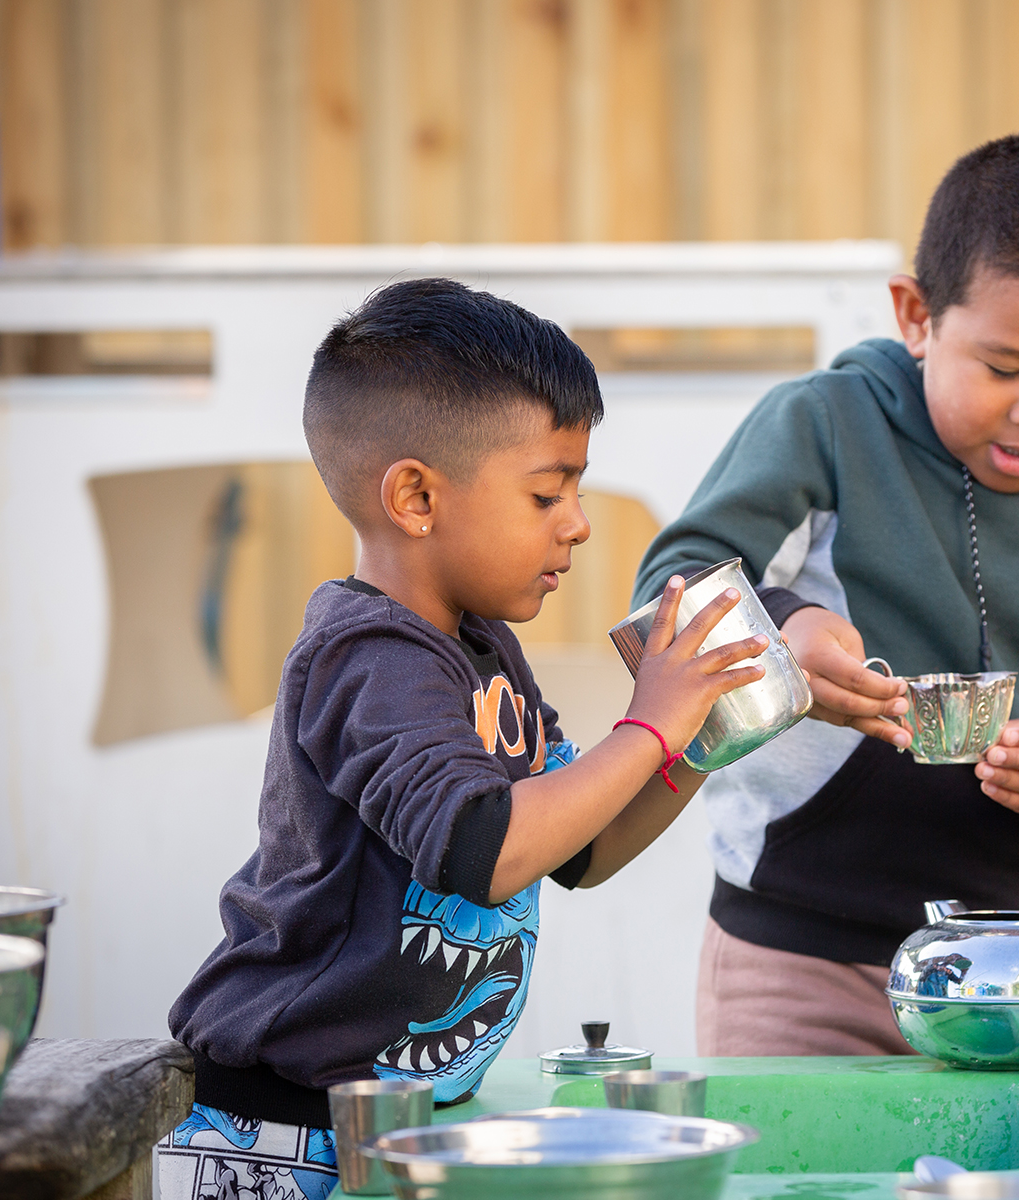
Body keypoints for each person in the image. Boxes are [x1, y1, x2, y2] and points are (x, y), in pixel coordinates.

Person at [155, 279, 767, 1199]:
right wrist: (650, 724)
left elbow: (579, 850)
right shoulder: (364, 657)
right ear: (416, 496)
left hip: (398, 1124)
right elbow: (485, 851)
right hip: (278, 1137)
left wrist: (700, 739)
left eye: (578, 488)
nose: (580, 523)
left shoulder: (481, 649)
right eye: (545, 493)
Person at [634, 133, 1019, 1056]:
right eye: (1005, 368)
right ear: (917, 317)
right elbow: (675, 583)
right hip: (803, 960)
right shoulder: (821, 427)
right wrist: (788, 636)